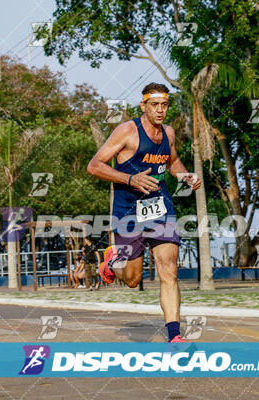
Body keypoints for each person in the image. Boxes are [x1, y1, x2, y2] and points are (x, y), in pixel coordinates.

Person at [87, 83, 201, 342]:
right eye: (155, 105)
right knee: (132, 278)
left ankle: (174, 336)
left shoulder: (168, 133)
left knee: (169, 269)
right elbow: (94, 166)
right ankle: (112, 260)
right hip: (128, 212)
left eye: (164, 105)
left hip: (160, 208)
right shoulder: (126, 131)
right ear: (144, 106)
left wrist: (184, 175)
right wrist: (130, 179)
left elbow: (171, 161)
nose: (160, 111)